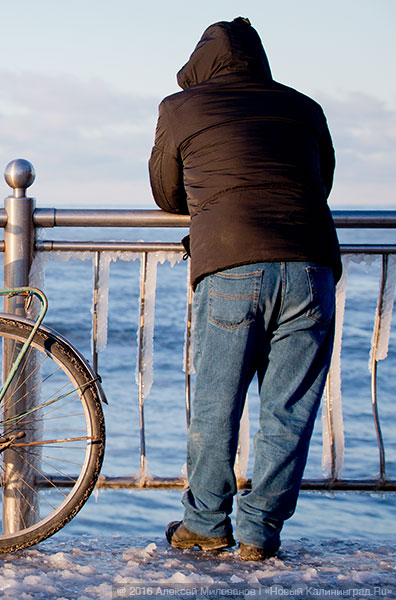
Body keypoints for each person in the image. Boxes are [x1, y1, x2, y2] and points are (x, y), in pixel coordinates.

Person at [148, 17, 341, 561]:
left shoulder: (180, 107)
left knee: (216, 403)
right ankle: (259, 534)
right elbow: (319, 181)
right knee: (290, 410)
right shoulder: (304, 107)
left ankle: (207, 523)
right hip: (310, 267)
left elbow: (166, 192)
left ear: (202, 64)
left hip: (232, 263)